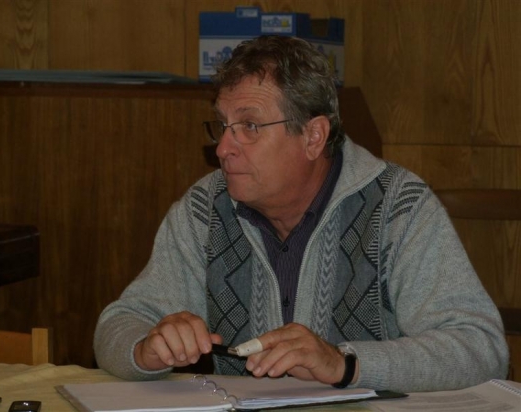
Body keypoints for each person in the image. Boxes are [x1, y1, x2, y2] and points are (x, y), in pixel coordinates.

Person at [94, 35, 508, 393]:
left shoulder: (398, 208)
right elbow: (119, 323)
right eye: (222, 125)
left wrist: (345, 364)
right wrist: (146, 349)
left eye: (249, 127)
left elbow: (481, 349)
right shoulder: (205, 208)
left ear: (313, 136)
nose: (223, 148)